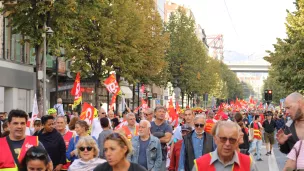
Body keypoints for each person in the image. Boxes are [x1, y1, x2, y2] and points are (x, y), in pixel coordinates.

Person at [193, 121, 258, 171]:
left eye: (232, 140)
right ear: (215, 139)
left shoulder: (248, 164)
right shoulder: (200, 165)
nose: (227, 144)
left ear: (237, 142)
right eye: (223, 139)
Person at [150, 106, 173, 171]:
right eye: (159, 111)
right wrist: (162, 136)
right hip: (149, 155)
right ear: (155, 113)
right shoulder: (149, 125)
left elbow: (167, 139)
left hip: (162, 156)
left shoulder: (168, 126)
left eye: (163, 112)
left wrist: (153, 137)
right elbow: (147, 137)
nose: (162, 113)